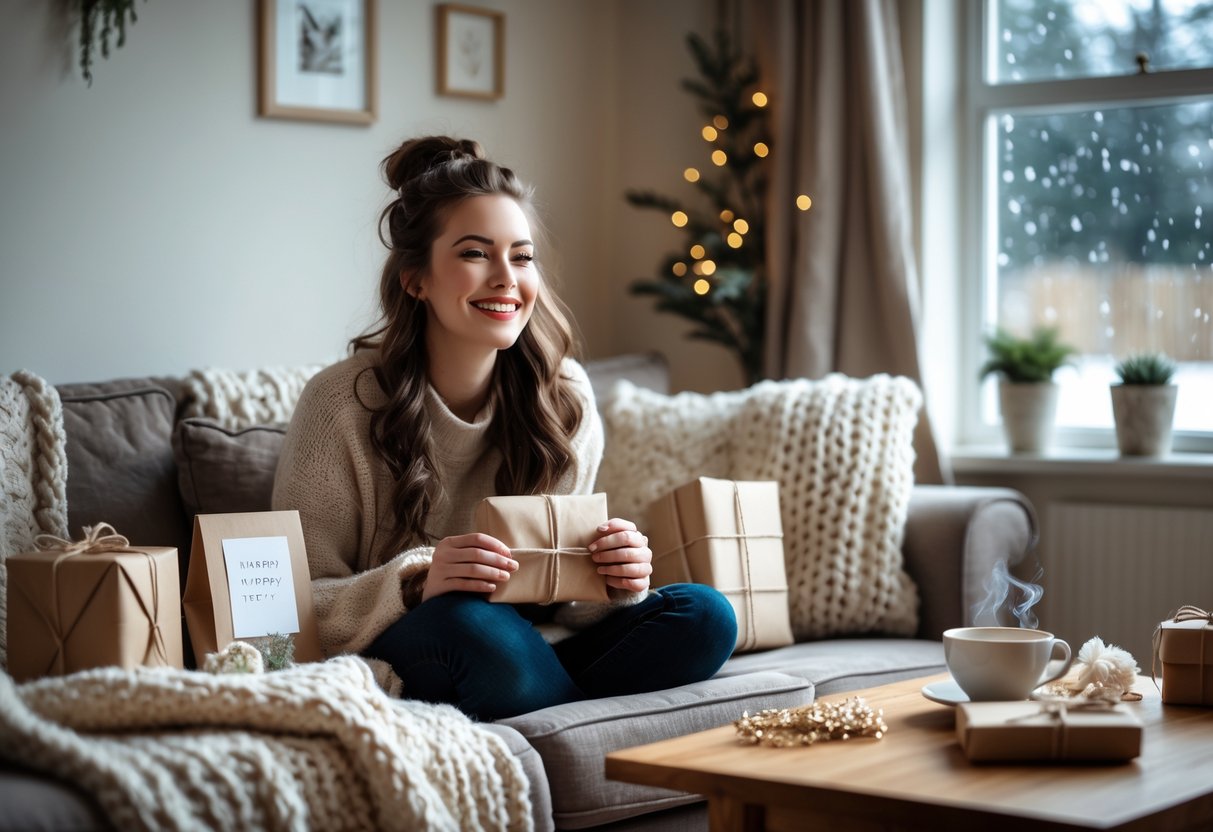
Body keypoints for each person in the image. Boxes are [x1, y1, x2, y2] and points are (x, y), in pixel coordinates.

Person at [272, 136, 736, 721]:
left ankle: (535, 706)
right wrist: (416, 583)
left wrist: (612, 575)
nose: (505, 278)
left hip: (524, 644)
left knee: (704, 616)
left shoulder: (563, 395)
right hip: (424, 637)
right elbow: (289, 606)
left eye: (521, 256)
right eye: (474, 254)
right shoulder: (340, 403)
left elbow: (565, 606)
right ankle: (561, 723)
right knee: (470, 621)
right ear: (415, 279)